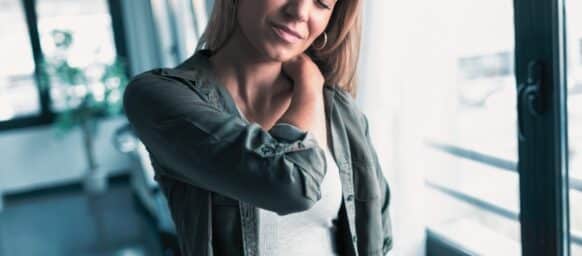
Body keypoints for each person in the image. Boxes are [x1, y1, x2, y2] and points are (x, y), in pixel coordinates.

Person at [122, 0, 393, 255]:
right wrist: (309, 85)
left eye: (322, 2)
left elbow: (378, 236)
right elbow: (291, 186)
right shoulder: (155, 96)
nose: (299, 11)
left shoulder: (340, 109)